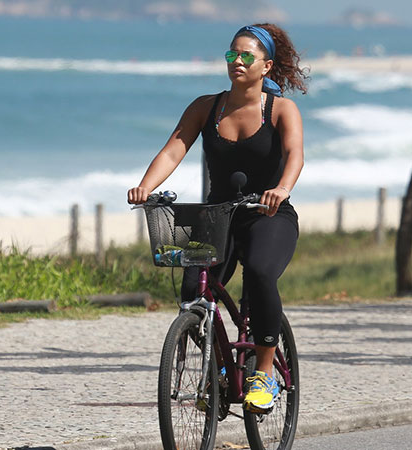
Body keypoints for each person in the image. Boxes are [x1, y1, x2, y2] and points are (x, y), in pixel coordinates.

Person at [127, 23, 306, 413]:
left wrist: (283, 188)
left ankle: (263, 372)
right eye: (232, 54)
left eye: (247, 56)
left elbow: (295, 155)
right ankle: (223, 366)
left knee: (259, 273)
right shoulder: (206, 107)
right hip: (218, 216)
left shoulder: (281, 110)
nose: (237, 62)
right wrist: (145, 186)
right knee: (194, 293)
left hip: (268, 213)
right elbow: (174, 150)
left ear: (266, 66)